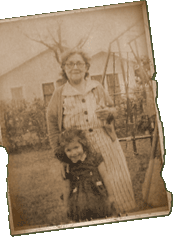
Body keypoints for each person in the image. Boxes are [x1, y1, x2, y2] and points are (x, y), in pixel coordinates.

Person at [47, 48, 136, 214]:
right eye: (70, 63)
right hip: (78, 150)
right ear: (64, 68)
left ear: (86, 67)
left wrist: (110, 113)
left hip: (105, 143)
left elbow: (113, 109)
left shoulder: (97, 87)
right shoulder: (59, 95)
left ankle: (122, 214)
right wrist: (62, 157)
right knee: (87, 186)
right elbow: (52, 126)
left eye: (79, 63)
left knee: (115, 181)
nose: (75, 67)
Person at [57, 128, 117, 222]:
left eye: (76, 147)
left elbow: (105, 177)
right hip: (79, 202)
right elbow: (66, 187)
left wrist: (111, 195)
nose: (74, 153)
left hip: (98, 197)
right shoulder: (68, 167)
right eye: (68, 150)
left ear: (83, 144)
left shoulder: (95, 158)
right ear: (63, 151)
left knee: (102, 218)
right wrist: (66, 206)